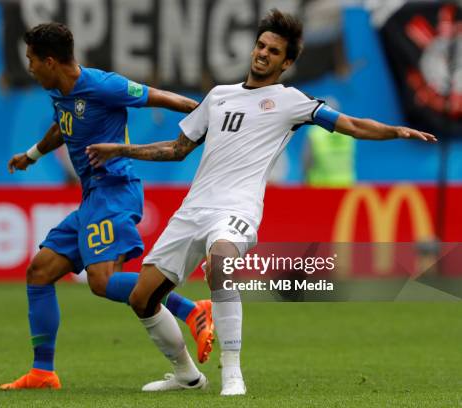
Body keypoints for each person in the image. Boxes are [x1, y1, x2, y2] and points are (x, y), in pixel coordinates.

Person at [86, 9, 436, 396]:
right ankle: (186, 375)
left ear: (286, 62)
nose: (263, 53)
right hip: (192, 210)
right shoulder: (219, 97)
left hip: (237, 210)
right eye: (261, 45)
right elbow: (177, 148)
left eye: (273, 51)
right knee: (142, 298)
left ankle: (232, 372)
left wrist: (395, 131)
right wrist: (123, 149)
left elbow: (350, 124)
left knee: (220, 260)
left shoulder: (291, 102)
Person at [0, 23, 214, 390]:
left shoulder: (102, 85)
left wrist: (210, 118)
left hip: (114, 191)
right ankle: (42, 372)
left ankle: (191, 309)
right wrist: (32, 155)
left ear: (50, 61)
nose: (30, 68)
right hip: (92, 198)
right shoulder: (58, 90)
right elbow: (61, 126)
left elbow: (162, 97)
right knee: (39, 272)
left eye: (32, 60)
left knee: (101, 281)